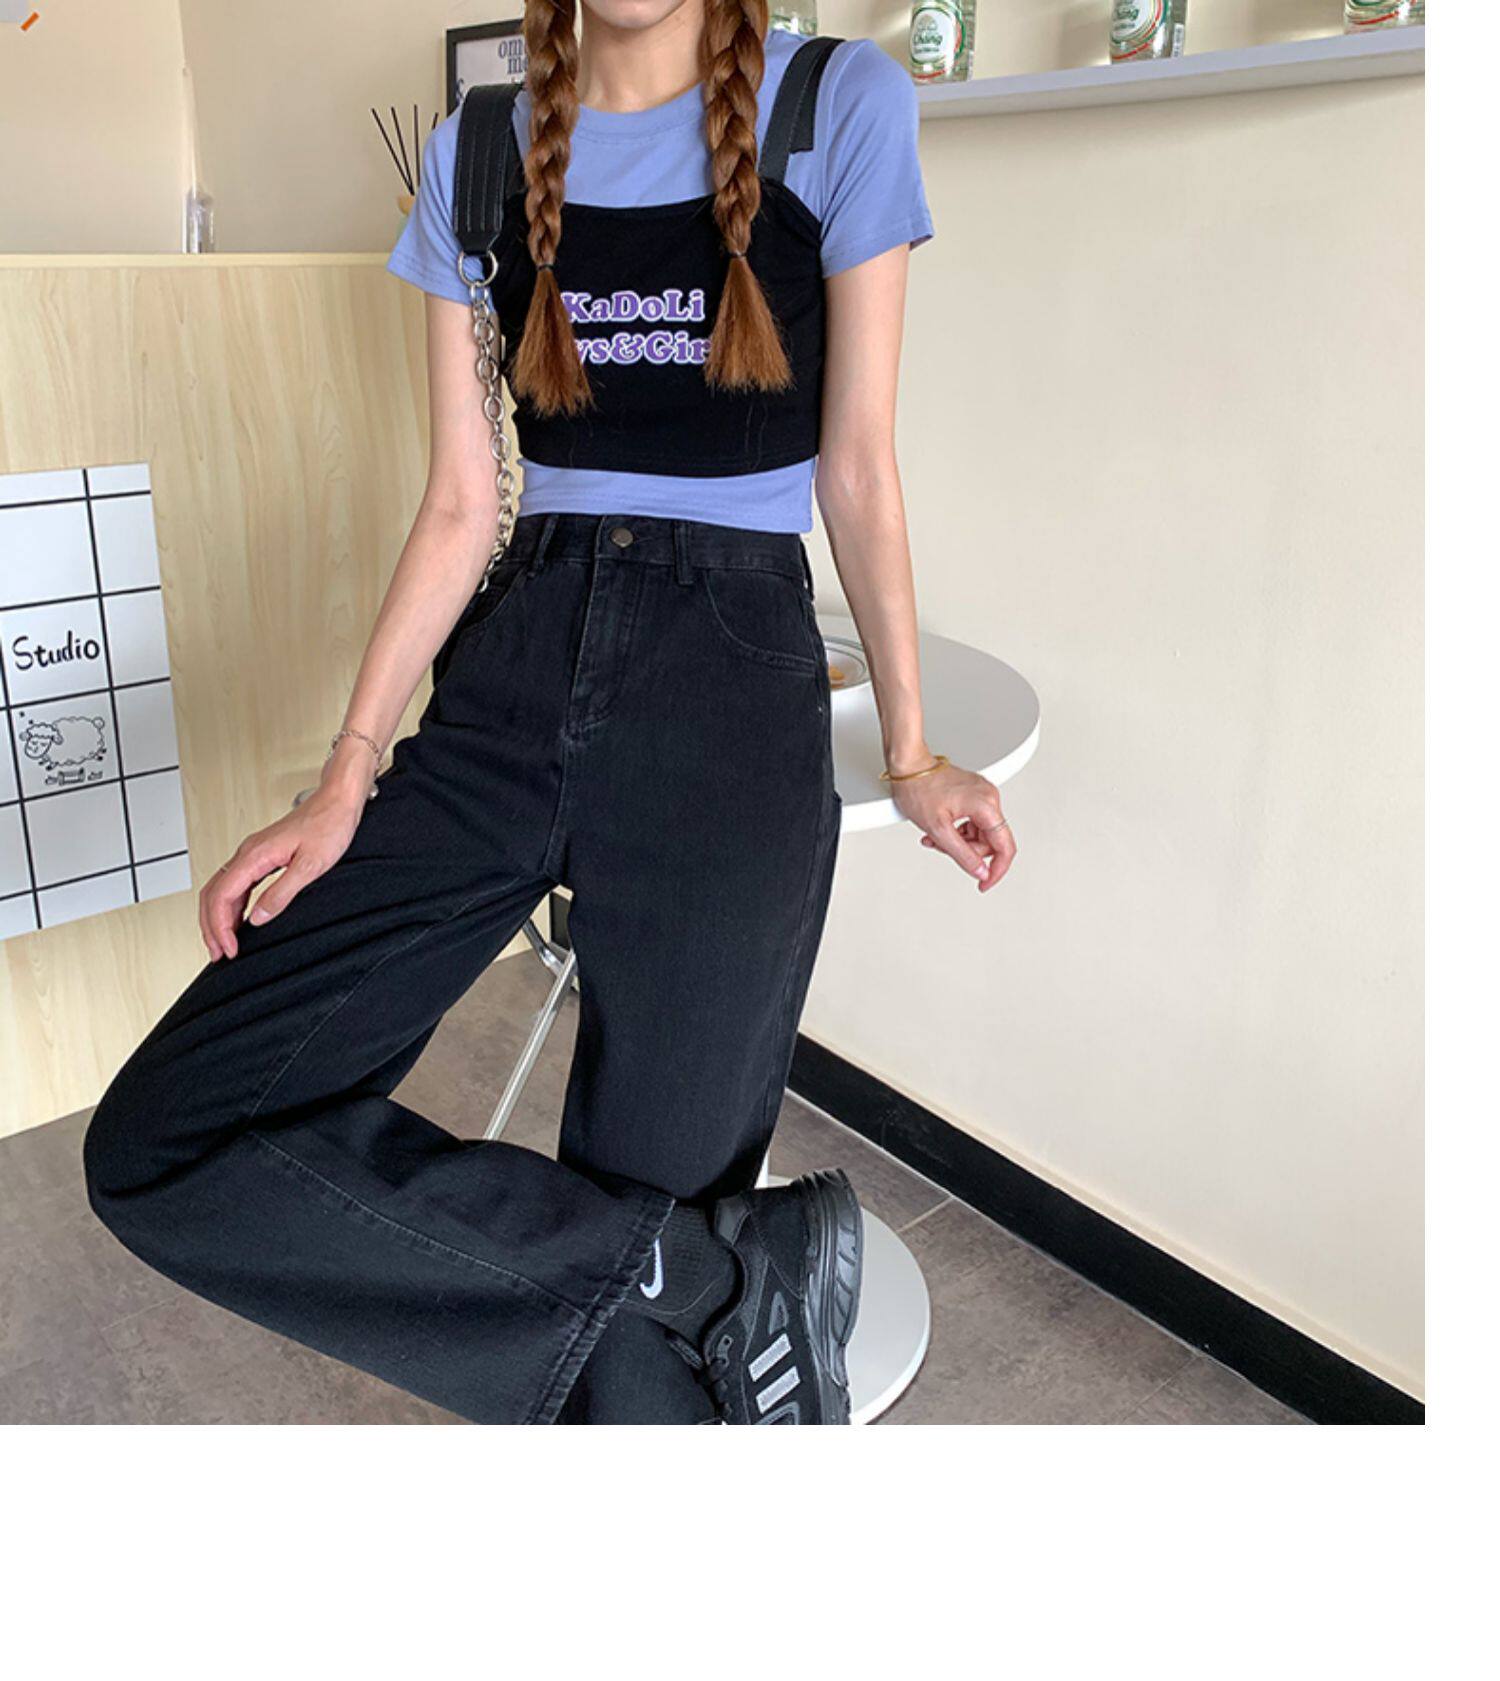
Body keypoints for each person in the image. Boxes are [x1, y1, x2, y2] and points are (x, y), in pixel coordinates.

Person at [81, 0, 1017, 1426]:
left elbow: (859, 470)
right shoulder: (476, 152)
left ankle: (684, 1301)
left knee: (641, 1344)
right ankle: (714, 1279)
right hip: (517, 663)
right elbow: (464, 503)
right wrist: (346, 775)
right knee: (164, 1135)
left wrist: (910, 747)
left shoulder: (838, 105)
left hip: (729, 680)